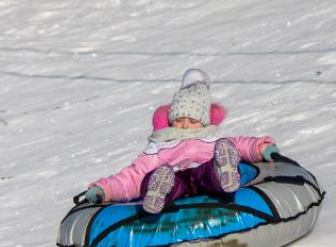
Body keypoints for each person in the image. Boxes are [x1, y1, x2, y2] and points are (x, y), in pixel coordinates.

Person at [85, 69, 280, 214]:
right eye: (179, 120)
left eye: (193, 121)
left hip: (202, 175)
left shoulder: (213, 139)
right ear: (171, 121)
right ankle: (157, 192)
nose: (185, 126)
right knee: (156, 177)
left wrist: (261, 147)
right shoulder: (161, 145)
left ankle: (223, 172)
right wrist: (106, 189)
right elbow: (132, 176)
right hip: (175, 179)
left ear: (203, 122)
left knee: (212, 167)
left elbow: (242, 144)